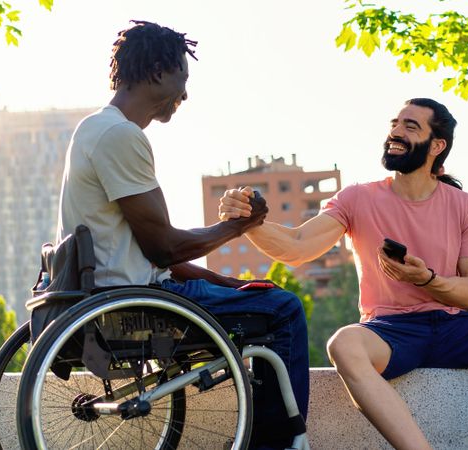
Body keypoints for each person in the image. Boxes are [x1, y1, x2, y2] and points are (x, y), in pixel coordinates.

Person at [219, 98, 468, 449]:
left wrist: (424, 279)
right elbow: (296, 246)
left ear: (436, 145)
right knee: (343, 344)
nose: (396, 132)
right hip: (391, 332)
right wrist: (248, 223)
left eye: (410, 126)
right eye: (394, 124)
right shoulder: (356, 198)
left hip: (455, 327)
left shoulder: (466, 206)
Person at [56, 20, 308, 450]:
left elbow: (157, 255)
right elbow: (165, 246)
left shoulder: (96, 128)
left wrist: (232, 284)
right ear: (157, 69)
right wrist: (238, 226)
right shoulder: (121, 135)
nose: (185, 94)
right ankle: (274, 444)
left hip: (110, 292)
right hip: (133, 304)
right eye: (182, 78)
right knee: (283, 309)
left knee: (261, 297)